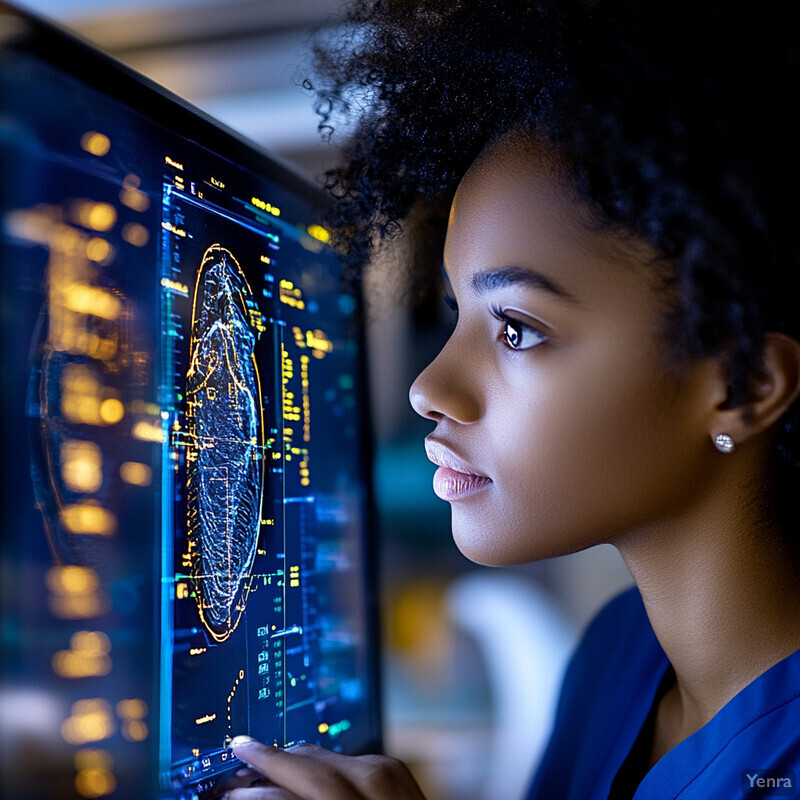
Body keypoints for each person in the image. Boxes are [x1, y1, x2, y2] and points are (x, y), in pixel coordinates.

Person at [222, 0, 800, 797]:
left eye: (519, 329)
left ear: (742, 385)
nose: (430, 389)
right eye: (459, 312)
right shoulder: (619, 654)